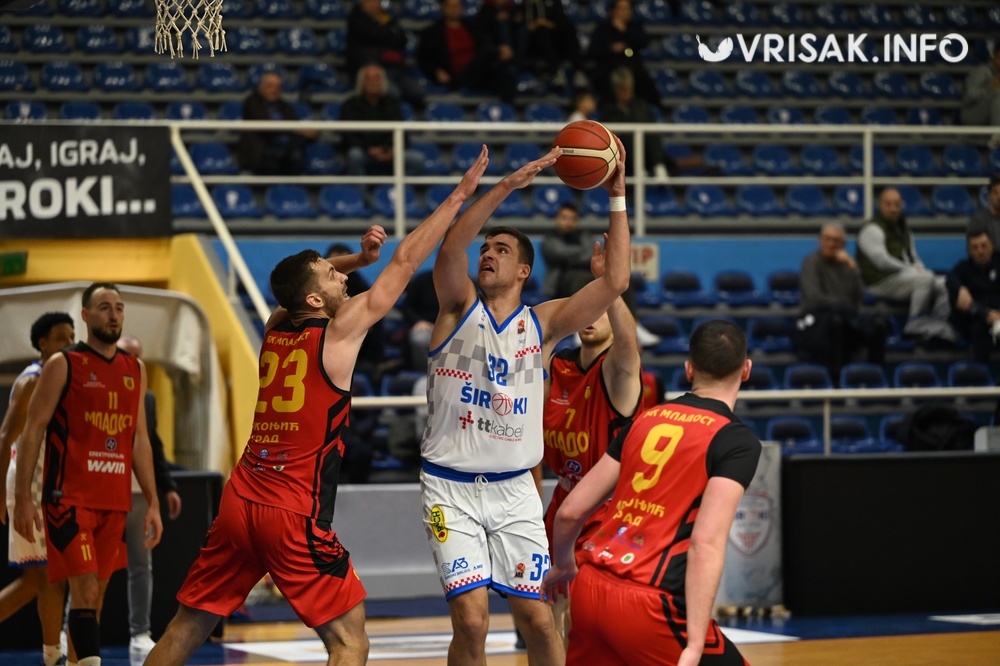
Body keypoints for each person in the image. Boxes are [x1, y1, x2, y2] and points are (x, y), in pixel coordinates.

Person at [145, 147, 490, 666]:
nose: (343, 278)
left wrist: (353, 262)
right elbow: (404, 261)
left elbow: (294, 291)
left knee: (186, 627)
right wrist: (459, 196)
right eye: (332, 275)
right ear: (313, 300)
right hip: (291, 511)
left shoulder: (274, 328)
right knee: (350, 642)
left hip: (240, 500)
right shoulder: (338, 333)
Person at [419, 135, 630, 665]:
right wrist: (505, 187)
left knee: (537, 617)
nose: (488, 254)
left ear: (523, 272)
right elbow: (451, 249)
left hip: (516, 493)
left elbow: (617, 280)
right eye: (486, 248)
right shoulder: (456, 307)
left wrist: (617, 195)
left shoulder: (543, 324)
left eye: (502, 250)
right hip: (449, 490)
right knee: (472, 621)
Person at [541, 319, 762, 666]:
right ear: (746, 370)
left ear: (689, 369)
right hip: (649, 601)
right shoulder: (735, 440)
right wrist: (694, 642)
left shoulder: (645, 419)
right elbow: (706, 543)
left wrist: (563, 562)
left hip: (590, 586)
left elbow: (570, 511)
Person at [13, 283, 164, 666]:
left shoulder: (135, 369)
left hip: (113, 500)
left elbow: (140, 438)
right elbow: (32, 430)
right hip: (68, 499)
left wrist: (153, 501)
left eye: (119, 307)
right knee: (82, 590)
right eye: (104, 307)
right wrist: (22, 498)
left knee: (93, 597)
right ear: (85, 315)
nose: (113, 314)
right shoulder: (63, 364)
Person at [538, 241, 644, 644]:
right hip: (562, 500)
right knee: (549, 617)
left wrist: (609, 284)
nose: (592, 315)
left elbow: (628, 344)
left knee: (589, 618)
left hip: (608, 508)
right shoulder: (558, 366)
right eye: (588, 305)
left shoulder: (617, 371)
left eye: (603, 308)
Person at [0, 312, 75, 666]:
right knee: (40, 579)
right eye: (61, 337)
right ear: (42, 344)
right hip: (28, 487)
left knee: (46, 578)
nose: (69, 343)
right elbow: (5, 438)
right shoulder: (33, 380)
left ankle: (52, 655)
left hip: (49, 487)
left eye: (72, 336)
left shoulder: (62, 377)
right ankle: (52, 655)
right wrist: (4, 495)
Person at [114, 335, 183, 664]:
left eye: (138, 357)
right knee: (88, 567)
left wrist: (166, 487)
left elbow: (152, 444)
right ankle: (70, 629)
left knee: (142, 565)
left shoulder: (148, 398)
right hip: (102, 488)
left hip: (139, 491)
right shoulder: (94, 389)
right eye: (128, 355)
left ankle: (139, 633)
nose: (134, 362)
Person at [857, 187, 957, 343]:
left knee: (946, 284)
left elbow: (913, 257)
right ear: (880, 205)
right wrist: (911, 270)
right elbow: (881, 262)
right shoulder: (872, 229)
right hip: (879, 282)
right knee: (924, 279)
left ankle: (936, 325)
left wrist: (920, 268)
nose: (893, 209)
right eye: (888, 204)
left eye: (897, 204)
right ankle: (914, 323)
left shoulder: (904, 229)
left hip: (903, 278)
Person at [795, 223, 889, 384]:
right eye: (828, 239)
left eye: (836, 240)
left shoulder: (847, 264)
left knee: (879, 323)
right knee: (836, 320)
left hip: (846, 318)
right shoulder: (811, 261)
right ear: (820, 240)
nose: (831, 244)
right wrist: (842, 304)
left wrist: (853, 268)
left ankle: (875, 376)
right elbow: (814, 298)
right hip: (817, 321)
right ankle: (836, 379)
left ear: (843, 244)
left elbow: (858, 297)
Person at [417, 0, 519, 104]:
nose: (454, 9)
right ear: (444, 8)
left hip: (480, 72)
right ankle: (500, 52)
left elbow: (484, 44)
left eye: (457, 6)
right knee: (490, 52)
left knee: (509, 71)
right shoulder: (433, 32)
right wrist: (436, 71)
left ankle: (507, 109)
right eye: (451, 6)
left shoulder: (472, 27)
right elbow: (424, 57)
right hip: (459, 76)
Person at [340, 64, 423, 178]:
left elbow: (402, 132)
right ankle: (361, 189)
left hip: (389, 151)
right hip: (364, 151)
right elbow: (349, 136)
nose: (373, 82)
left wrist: (391, 149)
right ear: (362, 82)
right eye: (369, 79)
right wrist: (369, 149)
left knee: (417, 159)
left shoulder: (392, 103)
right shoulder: (351, 105)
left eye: (377, 78)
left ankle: (395, 188)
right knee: (354, 155)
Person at [345, 0, 425, 109]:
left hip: (395, 67)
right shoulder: (356, 19)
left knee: (418, 92)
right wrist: (389, 34)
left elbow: (402, 37)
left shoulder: (384, 16)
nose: (374, 5)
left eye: (376, 2)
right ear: (362, 3)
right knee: (394, 93)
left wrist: (387, 34)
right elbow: (373, 35)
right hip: (373, 67)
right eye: (370, 2)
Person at [237, 70, 318, 175]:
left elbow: (294, 123)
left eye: (278, 86)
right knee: (289, 154)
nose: (274, 90)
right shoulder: (252, 102)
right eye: (270, 86)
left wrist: (307, 131)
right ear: (260, 87)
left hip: (286, 146)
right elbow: (265, 125)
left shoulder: (284, 105)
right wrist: (296, 130)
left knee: (298, 151)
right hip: (263, 148)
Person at [585, 0, 659, 111]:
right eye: (621, 9)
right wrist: (611, 49)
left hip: (631, 65)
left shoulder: (634, 27)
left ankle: (648, 111)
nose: (624, 12)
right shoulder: (603, 29)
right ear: (613, 11)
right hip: (608, 66)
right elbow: (593, 51)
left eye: (627, 9)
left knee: (645, 82)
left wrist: (625, 38)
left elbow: (643, 42)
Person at [947, 228, 1000, 364]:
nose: (980, 251)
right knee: (979, 327)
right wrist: (961, 288)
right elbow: (951, 279)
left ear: (991, 246)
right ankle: (981, 371)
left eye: (984, 246)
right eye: (975, 248)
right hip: (978, 320)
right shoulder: (964, 268)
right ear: (969, 251)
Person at [400, 269, 438, 371]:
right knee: (418, 339)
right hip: (426, 326)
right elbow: (407, 307)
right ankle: (425, 373)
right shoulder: (422, 280)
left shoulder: (466, 283)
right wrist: (418, 320)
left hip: (454, 328)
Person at [960, 42, 1000, 127]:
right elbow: (969, 96)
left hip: (990, 115)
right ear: (994, 57)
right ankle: (997, 133)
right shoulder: (982, 71)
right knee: (998, 94)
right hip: (972, 113)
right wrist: (989, 87)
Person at [967, 174, 1000, 250]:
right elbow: (975, 251)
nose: (999, 197)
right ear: (989, 196)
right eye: (995, 193)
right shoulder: (978, 221)